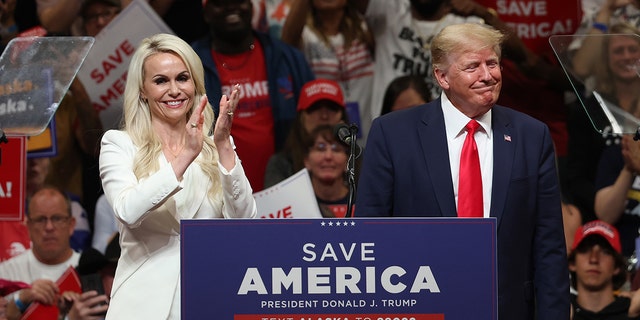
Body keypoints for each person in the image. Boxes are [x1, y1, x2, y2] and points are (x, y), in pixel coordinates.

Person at [354, 23, 569, 319]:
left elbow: (550, 248)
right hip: (420, 308)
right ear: (442, 77)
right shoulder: (392, 134)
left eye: (492, 63)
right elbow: (370, 237)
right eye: (472, 66)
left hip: (508, 309)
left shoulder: (532, 136)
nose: (487, 75)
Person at [99, 33, 257, 319]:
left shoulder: (218, 147)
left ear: (195, 84)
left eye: (182, 78)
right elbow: (128, 211)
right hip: (142, 306)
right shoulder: (118, 144)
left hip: (208, 299)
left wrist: (222, 145)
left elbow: (245, 224)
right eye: (161, 81)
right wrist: (186, 155)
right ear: (143, 90)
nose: (174, 90)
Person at [192, 0, 315, 192]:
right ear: (205, 13)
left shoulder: (287, 58)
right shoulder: (191, 63)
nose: (231, 6)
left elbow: (312, 125)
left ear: (251, 7)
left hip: (284, 188)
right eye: (219, 2)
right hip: (216, 191)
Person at [280, 0, 375, 143]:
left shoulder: (366, 30)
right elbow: (286, 44)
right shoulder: (306, 37)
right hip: (326, 140)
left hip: (370, 127)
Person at [0, 186, 81, 318]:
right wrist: (21, 300)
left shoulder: (89, 272)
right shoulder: (5, 273)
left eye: (57, 218)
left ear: (71, 225)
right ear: (28, 227)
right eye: (40, 219)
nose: (49, 227)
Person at [263, 78, 349, 188]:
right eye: (315, 108)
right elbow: (275, 203)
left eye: (332, 108)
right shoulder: (281, 164)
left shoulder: (359, 158)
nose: (324, 116)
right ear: (301, 117)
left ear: (342, 116)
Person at [568, 220, 640, 319]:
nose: (594, 259)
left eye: (605, 252)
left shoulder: (634, 310)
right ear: (572, 263)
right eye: (585, 250)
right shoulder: (558, 310)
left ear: (617, 266)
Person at [303, 124, 353, 218]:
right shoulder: (294, 205)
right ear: (307, 161)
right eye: (321, 149)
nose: (328, 156)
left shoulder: (362, 203)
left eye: (336, 149)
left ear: (348, 162)